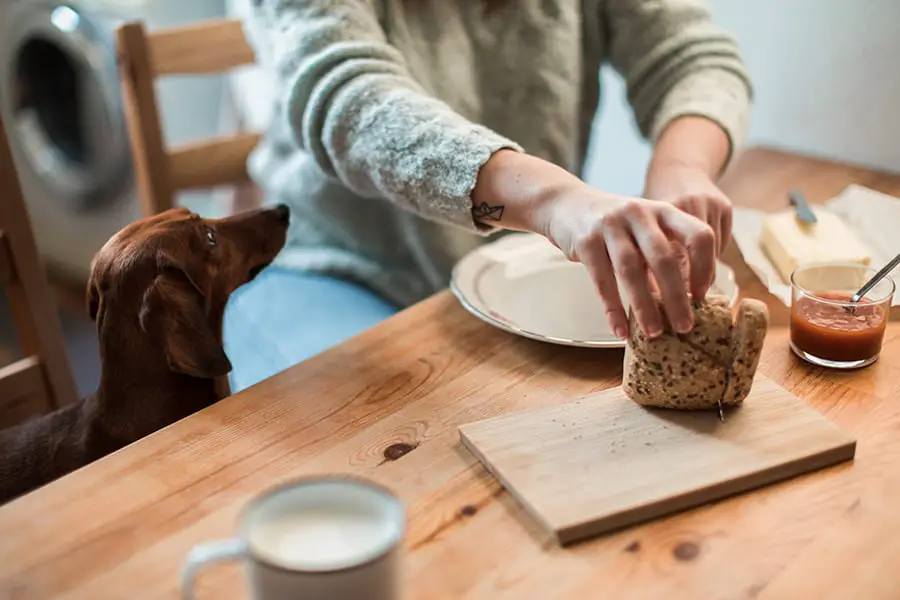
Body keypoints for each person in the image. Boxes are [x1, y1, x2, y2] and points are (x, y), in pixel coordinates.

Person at [223, 0, 752, 392]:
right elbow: (346, 97)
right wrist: (554, 201)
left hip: (514, 269)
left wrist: (682, 167)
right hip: (337, 269)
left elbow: (691, 53)